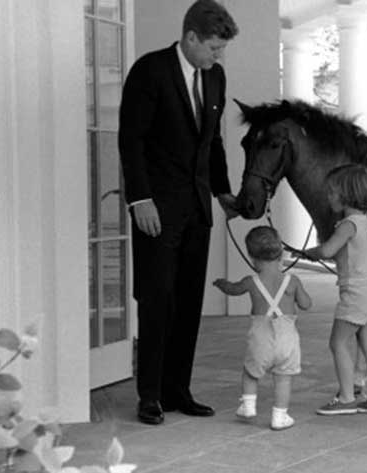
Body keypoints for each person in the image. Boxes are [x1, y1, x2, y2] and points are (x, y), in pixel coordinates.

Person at [118, 0, 239, 425]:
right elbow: (130, 141)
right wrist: (140, 199)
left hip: (196, 210)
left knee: (188, 301)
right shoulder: (149, 71)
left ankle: (177, 390)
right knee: (157, 300)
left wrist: (223, 192)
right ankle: (149, 394)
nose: (218, 56)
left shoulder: (216, 77)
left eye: (221, 50)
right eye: (213, 47)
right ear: (190, 37)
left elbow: (214, 141)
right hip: (156, 208)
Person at [295, 164, 367, 416]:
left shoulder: (347, 224)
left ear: (348, 193)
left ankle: (347, 398)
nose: (329, 196)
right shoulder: (365, 221)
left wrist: (308, 253)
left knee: (337, 343)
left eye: (333, 192)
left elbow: (326, 251)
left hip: (356, 292)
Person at [213, 226, 312, 431]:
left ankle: (248, 406)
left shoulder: (251, 282)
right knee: (283, 378)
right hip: (287, 340)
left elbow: (232, 289)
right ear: (281, 253)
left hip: (260, 338)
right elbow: (306, 304)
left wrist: (222, 284)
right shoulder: (292, 281)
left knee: (250, 372)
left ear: (251, 257)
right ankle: (280, 416)